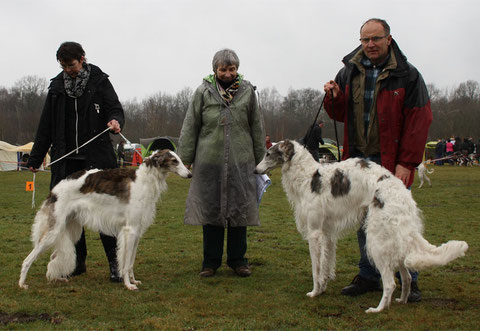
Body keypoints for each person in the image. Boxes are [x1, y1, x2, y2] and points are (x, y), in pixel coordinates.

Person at [323, 18, 432, 302]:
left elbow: (419, 120)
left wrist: (407, 162)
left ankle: (409, 278)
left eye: (375, 39)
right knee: (364, 220)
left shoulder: (407, 75)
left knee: (395, 220)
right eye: (365, 40)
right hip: (357, 161)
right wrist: (333, 98)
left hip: (391, 161)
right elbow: (339, 113)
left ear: (388, 39)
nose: (370, 44)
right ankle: (370, 274)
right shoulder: (349, 71)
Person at [26, 41, 125, 282]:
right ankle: (76, 262)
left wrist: (114, 121)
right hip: (65, 161)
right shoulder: (56, 88)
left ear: (82, 59)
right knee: (67, 215)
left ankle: (115, 264)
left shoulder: (100, 81)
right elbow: (45, 126)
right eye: (63, 66)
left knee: (105, 212)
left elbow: (115, 108)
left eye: (71, 65)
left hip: (97, 159)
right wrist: (36, 158)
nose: (67, 70)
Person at [178, 49, 265, 278]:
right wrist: (184, 159)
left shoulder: (248, 92)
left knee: (240, 211)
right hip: (209, 162)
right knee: (212, 212)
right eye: (223, 69)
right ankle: (210, 262)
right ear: (215, 69)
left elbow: (257, 128)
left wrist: (262, 161)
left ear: (237, 69)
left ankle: (239, 260)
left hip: (241, 161)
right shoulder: (202, 92)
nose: (227, 73)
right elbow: (190, 126)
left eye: (232, 69)